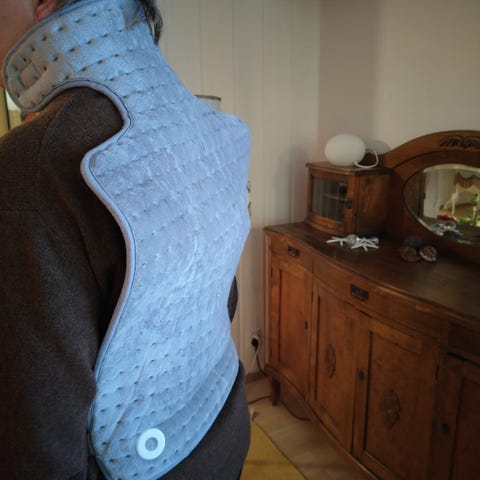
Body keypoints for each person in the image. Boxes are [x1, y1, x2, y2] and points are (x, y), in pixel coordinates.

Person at [0, 1, 251, 479]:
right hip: (227, 425)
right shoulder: (208, 123)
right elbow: (222, 300)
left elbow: (36, 440)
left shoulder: (30, 165)